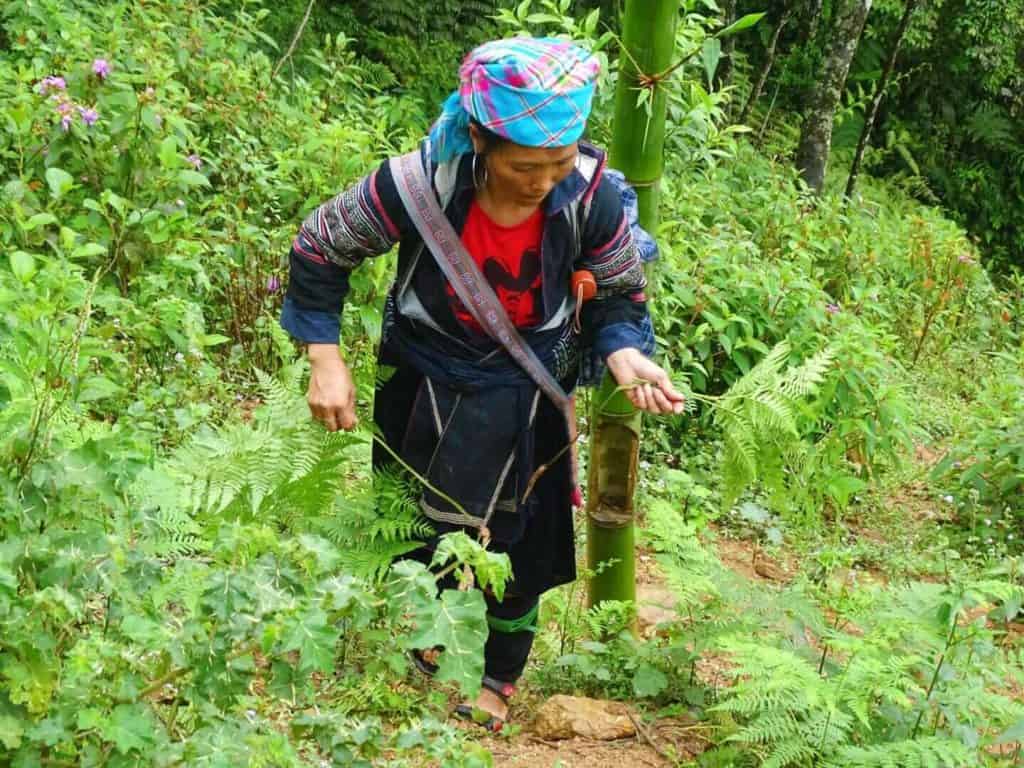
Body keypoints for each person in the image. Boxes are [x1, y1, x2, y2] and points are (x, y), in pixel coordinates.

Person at [280, 36, 684, 731]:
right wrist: (325, 358)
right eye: (525, 165)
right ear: (479, 142)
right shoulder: (418, 185)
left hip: (530, 392)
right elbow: (322, 245)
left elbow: (618, 292)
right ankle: (430, 633)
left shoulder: (590, 197)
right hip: (425, 381)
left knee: (525, 549)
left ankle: (499, 676)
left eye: (559, 163)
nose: (543, 181)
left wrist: (622, 353)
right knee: (415, 524)